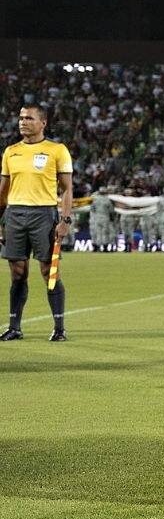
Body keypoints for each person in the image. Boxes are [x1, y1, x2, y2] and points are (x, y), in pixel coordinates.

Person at [0, 105, 73, 342]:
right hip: (15, 214)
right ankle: (14, 327)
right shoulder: (11, 152)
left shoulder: (57, 150)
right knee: (17, 273)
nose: (23, 122)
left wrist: (65, 220)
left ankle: (59, 328)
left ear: (43, 123)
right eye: (20, 118)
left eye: (29, 118)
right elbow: (3, 191)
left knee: (48, 271)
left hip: (44, 215)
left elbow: (67, 189)